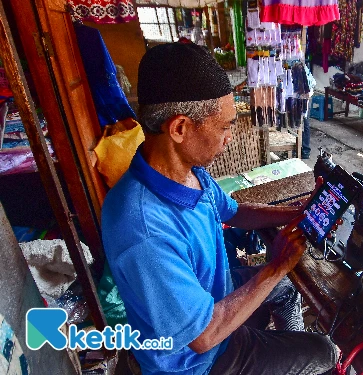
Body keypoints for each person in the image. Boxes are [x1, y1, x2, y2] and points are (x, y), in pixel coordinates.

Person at [101, 42, 337, 375]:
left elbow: (234, 212)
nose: (229, 137)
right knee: (325, 352)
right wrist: (276, 265)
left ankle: (281, 358)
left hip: (213, 297)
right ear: (180, 128)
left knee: (283, 291)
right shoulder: (143, 228)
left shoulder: (186, 171)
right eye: (224, 127)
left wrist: (293, 212)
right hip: (197, 360)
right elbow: (203, 335)